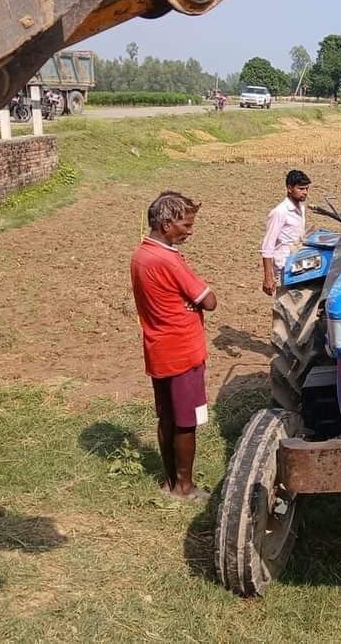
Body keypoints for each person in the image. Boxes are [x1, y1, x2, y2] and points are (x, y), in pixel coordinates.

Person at [130, 192, 217, 500]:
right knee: (187, 421)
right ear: (167, 224)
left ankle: (168, 481)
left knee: (166, 416)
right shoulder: (169, 259)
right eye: (186, 224)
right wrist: (190, 304)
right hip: (183, 350)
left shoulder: (141, 255)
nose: (190, 231)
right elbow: (209, 301)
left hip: (158, 349)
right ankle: (185, 486)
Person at [260, 170, 311, 296]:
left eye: (306, 189)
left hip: (298, 264)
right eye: (301, 188)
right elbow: (267, 246)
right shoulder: (280, 212)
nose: (305, 192)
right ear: (289, 188)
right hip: (283, 268)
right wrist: (268, 277)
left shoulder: (301, 208)